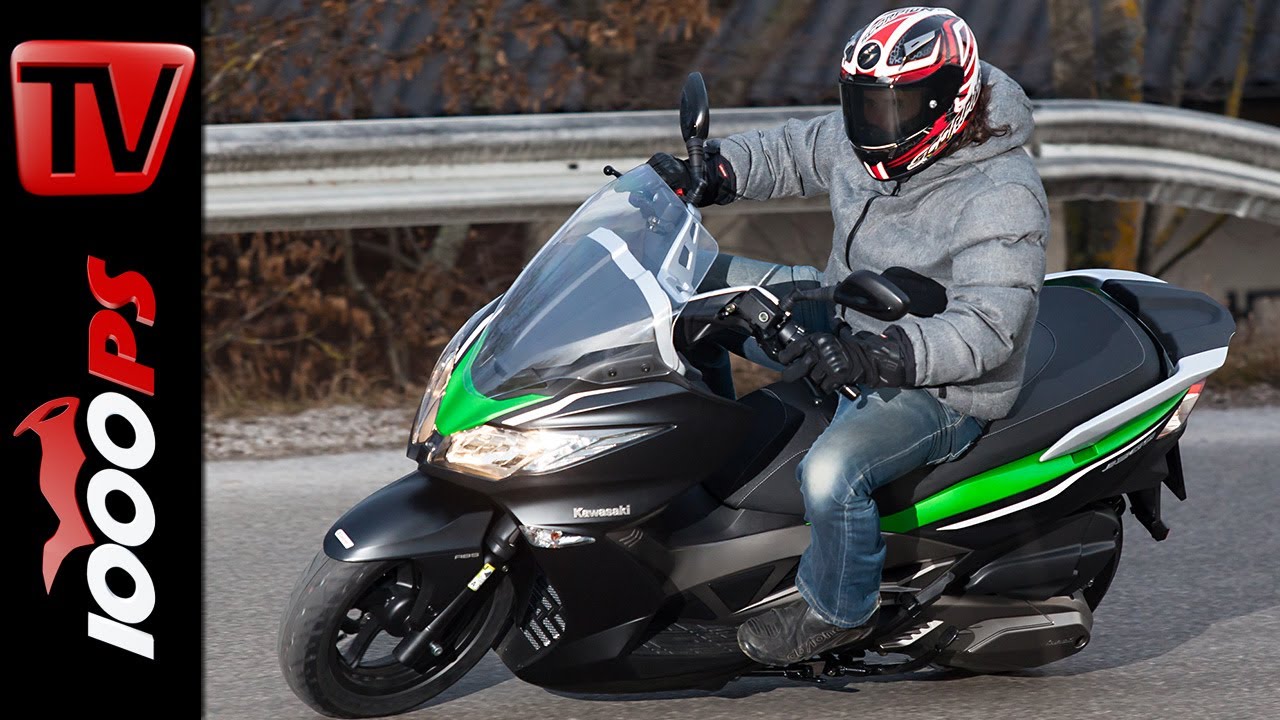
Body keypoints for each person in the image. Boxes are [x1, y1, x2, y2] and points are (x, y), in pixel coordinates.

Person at [647, 6, 1050, 666]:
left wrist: (880, 357)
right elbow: (790, 151)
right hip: (843, 314)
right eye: (863, 105)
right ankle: (695, 469)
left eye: (893, 107)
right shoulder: (873, 131)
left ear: (948, 101)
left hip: (939, 382)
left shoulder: (1000, 193)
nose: (872, 125)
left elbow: (989, 329)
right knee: (689, 288)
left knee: (831, 473)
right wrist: (715, 172)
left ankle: (839, 609)